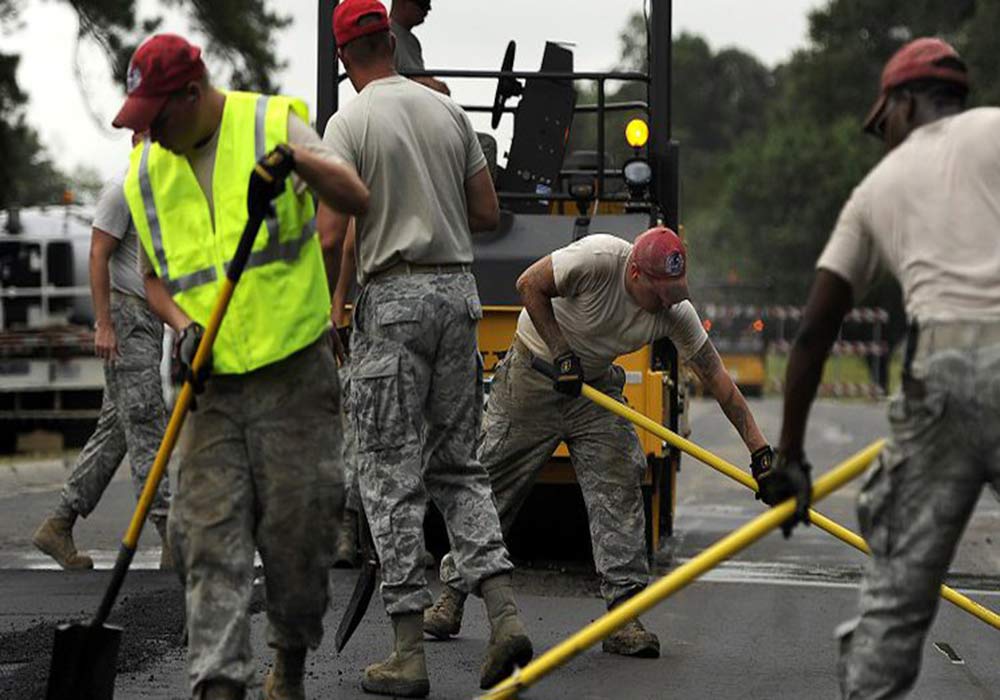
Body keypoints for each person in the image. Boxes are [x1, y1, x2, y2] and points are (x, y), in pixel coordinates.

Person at [111, 33, 369, 700]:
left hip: (295, 372)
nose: (149, 134)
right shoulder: (146, 172)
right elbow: (154, 280)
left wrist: (296, 163)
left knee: (299, 535)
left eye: (155, 118)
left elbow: (355, 196)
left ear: (192, 95)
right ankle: (217, 683)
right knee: (208, 537)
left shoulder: (270, 122)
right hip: (213, 385)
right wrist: (184, 325)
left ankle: (287, 662)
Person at [767, 38, 1000, 699]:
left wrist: (790, 457)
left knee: (898, 593)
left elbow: (815, 329)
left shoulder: (876, 189)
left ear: (902, 104)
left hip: (940, 380)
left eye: (883, 124)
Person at [425, 228, 774, 657]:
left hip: (593, 390)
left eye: (674, 292)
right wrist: (561, 350)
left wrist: (760, 452)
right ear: (634, 273)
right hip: (533, 376)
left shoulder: (674, 310)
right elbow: (528, 284)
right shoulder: (597, 259)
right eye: (660, 292)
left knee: (620, 478)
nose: (668, 302)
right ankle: (452, 595)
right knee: (492, 484)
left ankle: (623, 614)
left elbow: (719, 381)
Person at [322, 1, 532, 695]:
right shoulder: (448, 114)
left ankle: (407, 656)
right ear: (392, 40)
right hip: (457, 296)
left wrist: (333, 305)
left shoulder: (349, 122)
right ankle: (503, 618)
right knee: (460, 469)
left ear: (346, 58)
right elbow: (487, 213)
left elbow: (331, 232)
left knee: (389, 476)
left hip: (394, 304)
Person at [32, 139, 174, 571]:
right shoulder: (123, 187)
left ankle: (58, 524)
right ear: (139, 140)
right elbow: (98, 254)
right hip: (126, 319)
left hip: (145, 322)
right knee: (149, 424)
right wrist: (104, 322)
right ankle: (173, 536)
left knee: (114, 433)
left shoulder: (156, 189)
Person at [389, 0, 450, 94]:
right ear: (402, 3)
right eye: (423, 3)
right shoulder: (383, 36)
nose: (429, 9)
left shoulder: (413, 42)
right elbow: (385, 80)